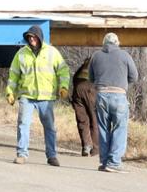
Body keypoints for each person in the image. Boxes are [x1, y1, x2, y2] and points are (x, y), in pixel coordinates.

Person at [6, 24, 70, 166]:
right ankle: (22, 154)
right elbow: (13, 75)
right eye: (29, 37)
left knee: (50, 127)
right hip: (26, 96)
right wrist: (10, 92)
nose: (31, 39)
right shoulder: (21, 54)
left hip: (46, 98)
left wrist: (64, 86)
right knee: (23, 124)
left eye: (34, 37)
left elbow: (63, 71)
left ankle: (52, 156)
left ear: (40, 38)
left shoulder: (52, 53)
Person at [88, 32, 138, 172]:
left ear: (104, 43)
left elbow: (91, 78)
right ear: (117, 43)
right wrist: (122, 82)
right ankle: (114, 162)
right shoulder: (125, 55)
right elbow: (134, 76)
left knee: (103, 129)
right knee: (119, 129)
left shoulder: (96, 56)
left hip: (102, 95)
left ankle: (104, 162)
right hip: (119, 95)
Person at [70, 54, 98, 157]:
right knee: (94, 119)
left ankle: (86, 146)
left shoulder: (83, 66)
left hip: (78, 89)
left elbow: (74, 78)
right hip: (90, 89)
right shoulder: (98, 64)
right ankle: (95, 149)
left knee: (82, 120)